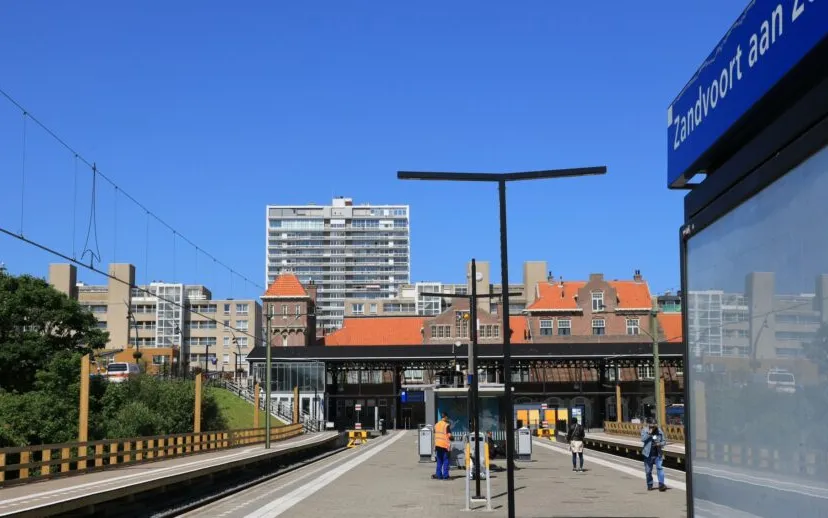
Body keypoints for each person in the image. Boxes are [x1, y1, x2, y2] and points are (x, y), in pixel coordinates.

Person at [641, 418, 667, 491]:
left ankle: (661, 484)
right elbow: (642, 439)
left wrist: (659, 444)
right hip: (648, 454)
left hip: (658, 454)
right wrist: (649, 434)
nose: (653, 426)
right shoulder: (645, 430)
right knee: (648, 471)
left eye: (654, 425)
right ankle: (649, 484)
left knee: (660, 468)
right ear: (648, 424)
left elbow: (664, 441)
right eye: (651, 425)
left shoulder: (659, 431)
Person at [432, 412, 452, 480]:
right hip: (444, 446)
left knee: (439, 461)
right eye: (447, 417)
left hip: (437, 445)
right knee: (446, 460)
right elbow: (449, 436)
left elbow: (435, 433)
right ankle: (445, 476)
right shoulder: (446, 425)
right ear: (446, 417)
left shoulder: (436, 424)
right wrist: (452, 438)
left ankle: (438, 475)